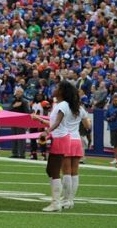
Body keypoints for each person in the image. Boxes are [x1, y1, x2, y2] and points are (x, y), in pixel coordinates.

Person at [39, 80, 91, 211]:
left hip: (64, 138)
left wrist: (47, 130)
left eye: (57, 87)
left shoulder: (62, 105)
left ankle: (64, 200)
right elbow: (88, 126)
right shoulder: (78, 107)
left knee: (65, 172)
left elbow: (56, 122)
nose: (54, 88)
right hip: (76, 139)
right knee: (74, 172)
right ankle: (69, 200)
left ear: (62, 91)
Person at [6, 87, 30, 158]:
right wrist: (14, 106)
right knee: (14, 138)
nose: (17, 93)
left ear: (22, 93)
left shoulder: (24, 102)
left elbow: (27, 113)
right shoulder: (14, 101)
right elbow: (8, 111)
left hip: (21, 123)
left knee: (21, 139)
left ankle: (22, 154)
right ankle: (15, 153)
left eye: (19, 92)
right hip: (14, 122)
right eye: (17, 91)